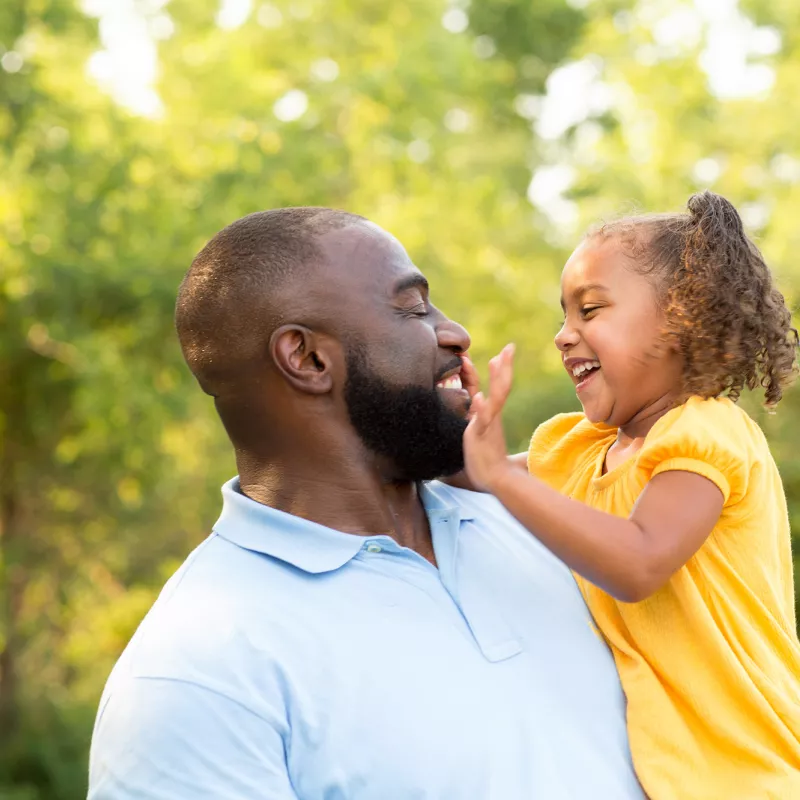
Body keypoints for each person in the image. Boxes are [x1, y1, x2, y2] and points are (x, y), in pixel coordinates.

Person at [87, 208, 645, 798]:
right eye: (412, 309)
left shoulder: (546, 525)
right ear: (306, 359)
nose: (455, 333)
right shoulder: (195, 675)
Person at [460, 191, 800, 800]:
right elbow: (465, 474)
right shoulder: (579, 449)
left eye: (590, 310)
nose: (564, 336)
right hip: (664, 774)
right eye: (563, 317)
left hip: (749, 771)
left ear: (683, 316)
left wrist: (502, 476)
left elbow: (639, 561)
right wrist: (457, 416)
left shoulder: (704, 432)